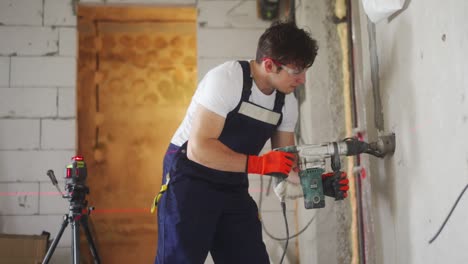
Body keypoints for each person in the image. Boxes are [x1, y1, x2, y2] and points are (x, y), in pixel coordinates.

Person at [153, 20, 349, 264]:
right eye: (296, 71)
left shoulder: (286, 104)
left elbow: (285, 162)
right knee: (181, 259)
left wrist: (316, 183)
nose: (303, 80)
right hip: (189, 177)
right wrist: (260, 165)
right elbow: (199, 149)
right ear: (269, 64)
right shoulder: (227, 80)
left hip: (231, 182)